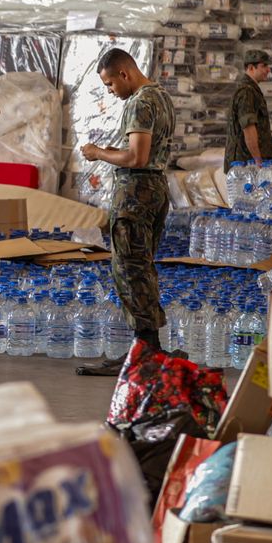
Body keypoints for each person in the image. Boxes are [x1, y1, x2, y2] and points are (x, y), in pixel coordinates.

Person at [77, 49, 175, 376]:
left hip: (136, 193)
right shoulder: (161, 96)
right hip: (155, 190)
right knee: (141, 266)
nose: (110, 91)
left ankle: (145, 350)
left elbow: (137, 157)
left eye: (109, 84)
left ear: (125, 74)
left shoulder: (140, 103)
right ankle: (147, 349)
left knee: (129, 268)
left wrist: (97, 153)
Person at [223, 49, 272, 172]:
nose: (268, 70)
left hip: (248, 164)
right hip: (246, 166)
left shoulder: (252, 90)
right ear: (251, 68)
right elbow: (249, 130)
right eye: (264, 66)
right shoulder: (246, 92)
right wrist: (258, 161)